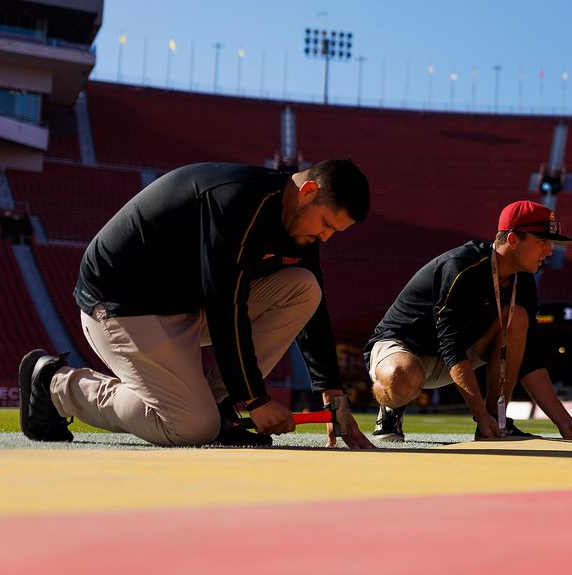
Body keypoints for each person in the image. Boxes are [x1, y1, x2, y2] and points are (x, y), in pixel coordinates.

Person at [18, 159, 372, 449]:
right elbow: (224, 304)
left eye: (334, 232)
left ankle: (221, 408)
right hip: (121, 308)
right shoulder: (237, 201)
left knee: (304, 289)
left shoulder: (299, 226)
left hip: (183, 307)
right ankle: (55, 384)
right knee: (192, 429)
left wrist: (333, 396)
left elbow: (315, 316)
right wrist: (256, 400)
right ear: (308, 192)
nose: (325, 237)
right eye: (326, 224)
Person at [364, 200, 572, 442]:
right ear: (513, 240)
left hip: (453, 354)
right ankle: (391, 408)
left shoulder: (523, 280)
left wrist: (563, 420)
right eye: (542, 241)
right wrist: (478, 414)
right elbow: (450, 344)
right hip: (405, 348)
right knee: (401, 378)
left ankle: (498, 419)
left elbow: (529, 358)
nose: (550, 251)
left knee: (518, 318)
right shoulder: (461, 266)